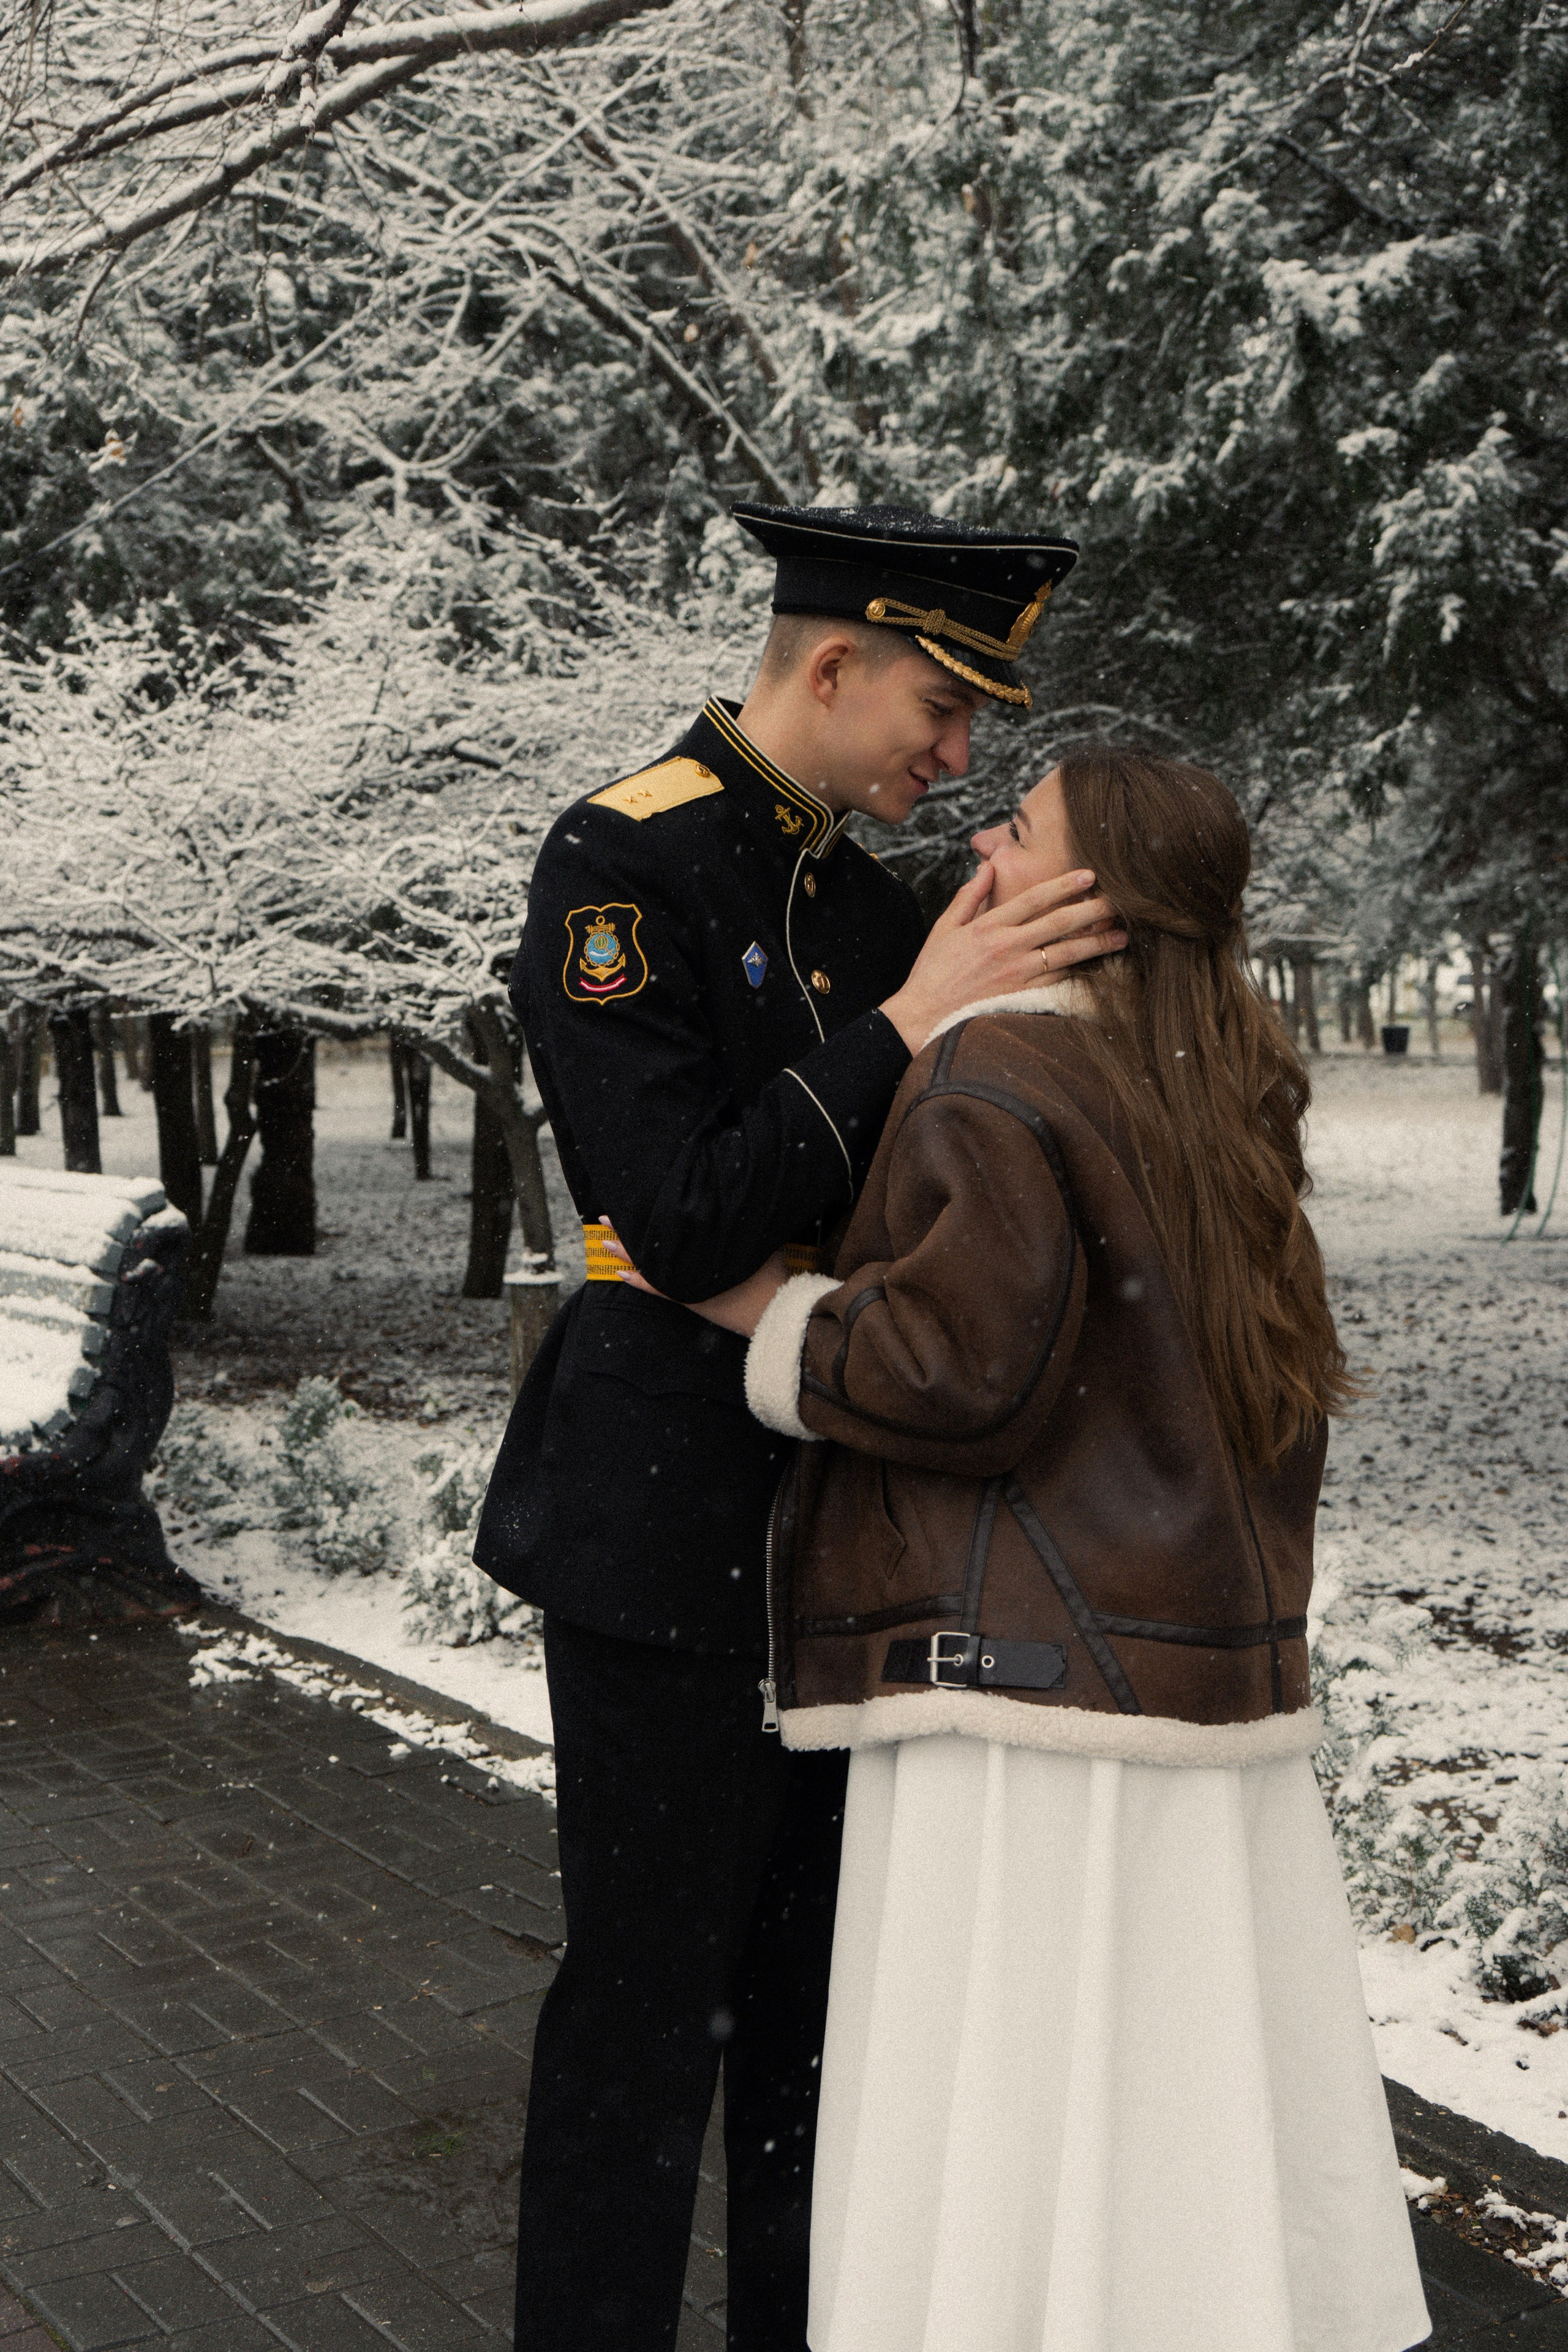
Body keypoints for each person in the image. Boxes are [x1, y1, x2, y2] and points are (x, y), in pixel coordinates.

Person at [667, 745, 1431, 2352]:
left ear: (1087, 897)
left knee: (1006, 2098)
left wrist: (774, 1317)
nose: (979, 838)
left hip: (1023, 1682)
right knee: (1170, 2101)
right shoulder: (1220, 1085)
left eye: (1018, 828)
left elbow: (961, 1370)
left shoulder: (998, 1065)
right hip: (1194, 1673)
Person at [473, 502, 1126, 2352]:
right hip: (663, 1540)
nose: (959, 755)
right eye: (941, 704)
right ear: (829, 664)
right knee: (643, 2022)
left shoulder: (875, 894)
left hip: (854, 1528)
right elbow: (673, 1213)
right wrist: (912, 1020)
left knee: (818, 2033)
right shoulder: (623, 859)